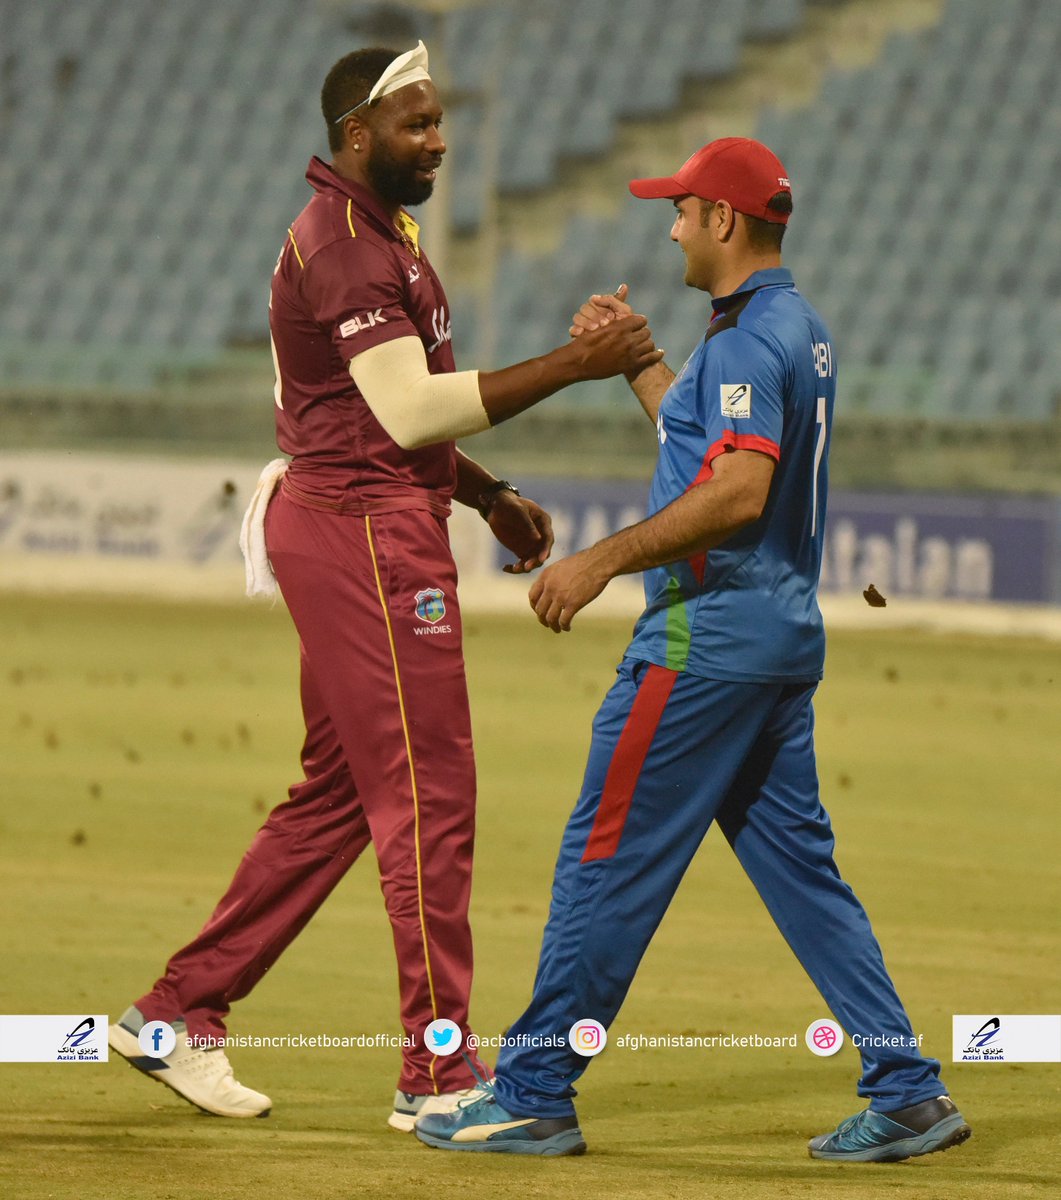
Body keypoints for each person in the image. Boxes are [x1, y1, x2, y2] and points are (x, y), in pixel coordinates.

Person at [107, 40, 660, 1132]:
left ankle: (176, 1014)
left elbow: (378, 415)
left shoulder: (369, 236)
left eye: (439, 120)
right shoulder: (353, 249)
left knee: (339, 798)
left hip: (358, 520)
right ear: (356, 135)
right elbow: (405, 415)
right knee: (428, 798)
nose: (439, 139)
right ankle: (438, 1072)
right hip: (364, 537)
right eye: (416, 123)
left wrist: (483, 491)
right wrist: (572, 366)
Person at [415, 137, 971, 1162]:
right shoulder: (789, 331)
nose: (667, 226)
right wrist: (633, 356)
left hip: (697, 647)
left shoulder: (746, 346)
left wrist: (596, 563)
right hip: (773, 644)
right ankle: (905, 1087)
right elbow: (706, 445)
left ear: (722, 220)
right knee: (805, 880)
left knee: (601, 860)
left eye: (677, 209)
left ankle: (533, 1087)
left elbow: (735, 490)